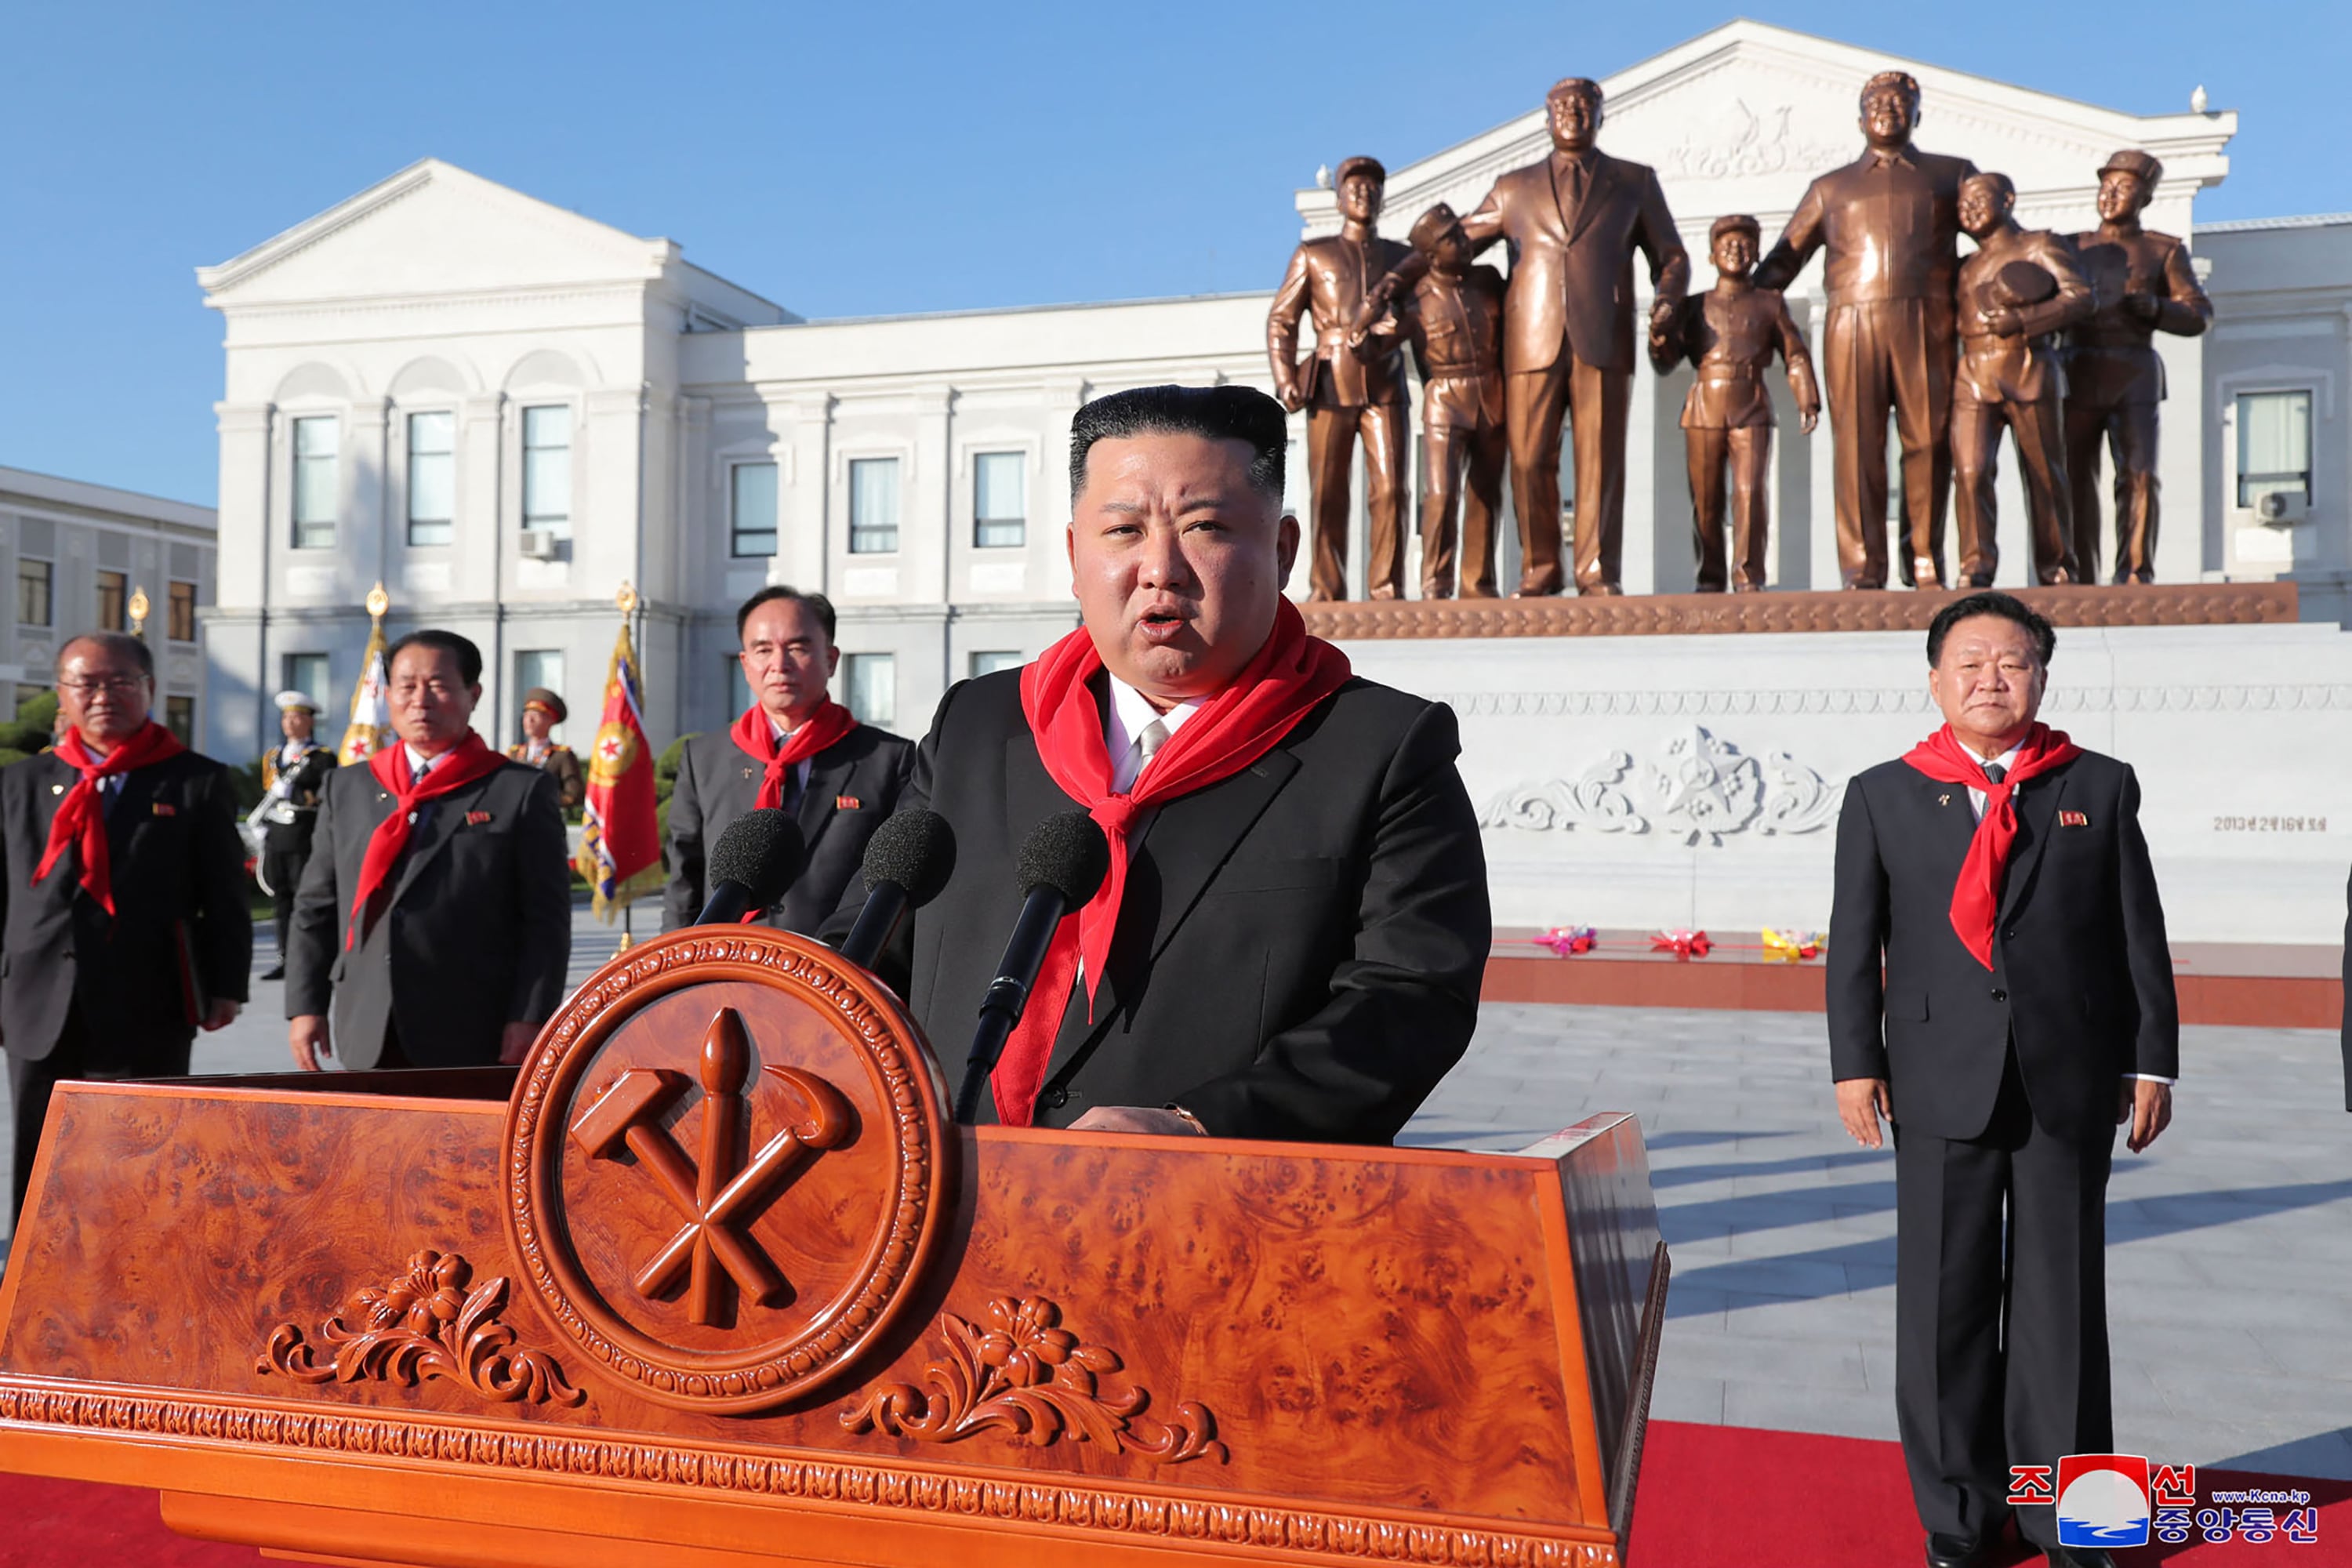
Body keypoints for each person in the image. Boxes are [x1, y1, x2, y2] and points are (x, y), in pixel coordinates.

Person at [826, 383, 1490, 1142]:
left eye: (1204, 527)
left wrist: (1200, 1128)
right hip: (952, 1182)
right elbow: (869, 945)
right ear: (1074, 555)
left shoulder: (1381, 747)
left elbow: (1410, 997)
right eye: (1123, 531)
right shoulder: (977, 724)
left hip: (1214, 1197)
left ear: (1282, 550)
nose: (1160, 569)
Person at [1828, 591, 2177, 1568]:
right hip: (1937, 1074)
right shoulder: (1883, 793)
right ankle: (1959, 1513)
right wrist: (1855, 1063)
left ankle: (2069, 1516)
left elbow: (2137, 932)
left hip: (2070, 1075)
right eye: (1971, 662)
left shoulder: (2097, 784)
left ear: (2041, 676)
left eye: (2012, 661)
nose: (1992, 678)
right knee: (1944, 1300)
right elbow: (1854, 942)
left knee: (2065, 1305)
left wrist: (2151, 1057)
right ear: (1935, 680)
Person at [1370, 78, 1688, 596]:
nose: (1573, 112)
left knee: (1600, 459)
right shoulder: (1514, 187)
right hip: (1530, 339)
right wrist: (1392, 281)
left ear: (1601, 115)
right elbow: (1451, 242)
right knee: (1529, 458)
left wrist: (1669, 297)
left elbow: (1671, 255)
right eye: (1563, 105)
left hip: (1603, 337)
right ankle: (1541, 568)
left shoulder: (1634, 182)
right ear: (1547, 119)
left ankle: (1596, 571)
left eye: (1584, 105)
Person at [2, 633, 250, 1219]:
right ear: (61, 692)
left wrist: (226, 987)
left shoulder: (194, 781)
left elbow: (224, 894)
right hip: (36, 997)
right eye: (86, 683)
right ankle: (37, 1269)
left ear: (149, 688)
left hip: (148, 999)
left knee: (142, 1157)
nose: (102, 695)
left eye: (120, 682)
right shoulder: (20, 783)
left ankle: (136, 1266)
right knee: (41, 1152)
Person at [285, 630, 570, 1070]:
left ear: (473, 694)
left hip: (475, 1025)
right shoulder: (349, 787)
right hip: (367, 1022)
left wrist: (530, 1016)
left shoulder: (519, 790)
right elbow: (316, 905)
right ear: (388, 695)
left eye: (438, 685)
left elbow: (546, 921)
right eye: (407, 686)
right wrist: (306, 1005)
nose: (420, 700)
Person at [1755, 71, 1980, 590]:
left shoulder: (1950, 175)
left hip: (1928, 320)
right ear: (1859, 120)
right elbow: (1782, 263)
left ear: (1918, 115)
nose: (1887, 109)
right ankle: (1862, 566)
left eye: (1899, 102)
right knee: (1857, 446)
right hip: (1852, 322)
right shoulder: (1831, 188)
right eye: (1876, 102)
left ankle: (1924, 559)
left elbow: (1996, 235)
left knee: (1929, 442)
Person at [664, 587, 916, 935]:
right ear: (745, 664)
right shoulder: (703, 758)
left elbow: (900, 884)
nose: (779, 665)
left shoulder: (888, 759)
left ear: (831, 659)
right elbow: (683, 881)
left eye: (797, 648)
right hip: (729, 958)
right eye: (763, 650)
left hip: (837, 959)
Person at [1648, 213, 1820, 592]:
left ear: (1757, 254)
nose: (1736, 250)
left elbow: (1794, 354)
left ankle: (1748, 575)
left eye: (1745, 245)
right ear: (1711, 256)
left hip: (1751, 405)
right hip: (1704, 406)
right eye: (1726, 245)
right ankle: (1709, 578)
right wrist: (1659, 335)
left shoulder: (1770, 303)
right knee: (1706, 501)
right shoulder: (1695, 306)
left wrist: (1807, 396)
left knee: (1750, 493)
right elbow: (1666, 362)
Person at [1266, 154, 1412, 601]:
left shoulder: (1402, 258)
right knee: (1328, 491)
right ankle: (1327, 588)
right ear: (1339, 199)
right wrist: (1286, 376)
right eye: (1354, 187)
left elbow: (1418, 314)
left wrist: (1392, 328)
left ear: (1382, 198)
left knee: (1392, 490)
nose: (1364, 194)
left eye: (1372, 188)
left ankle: (1387, 588)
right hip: (1330, 384)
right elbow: (1282, 319)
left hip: (1385, 384)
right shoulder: (1314, 254)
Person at [2065, 150, 2213, 583]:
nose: (2110, 195)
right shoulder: (2072, 247)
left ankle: (2134, 570)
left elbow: (2199, 314)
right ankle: (2079, 575)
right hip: (2078, 372)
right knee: (2074, 478)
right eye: (2106, 186)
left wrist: (2157, 308)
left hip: (2134, 373)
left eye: (2124, 188)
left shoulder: (2163, 250)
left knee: (2139, 474)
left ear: (2145, 198)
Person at [1951, 173, 2094, 587]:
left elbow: (2081, 297)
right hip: (1974, 373)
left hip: (2028, 366)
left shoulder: (2039, 245)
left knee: (2044, 472)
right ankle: (1976, 565)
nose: (1969, 210)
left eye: (1979, 199)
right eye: (1963, 205)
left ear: (2007, 200)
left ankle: (2056, 566)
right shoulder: (1967, 266)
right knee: (1971, 470)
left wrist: (2025, 320)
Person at [1399, 201, 1508, 599]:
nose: (1463, 241)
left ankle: (1478, 584)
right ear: (1430, 256)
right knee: (1441, 494)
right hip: (1444, 398)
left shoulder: (1489, 280)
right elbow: (1369, 344)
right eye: (1451, 239)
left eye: (1461, 233)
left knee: (1486, 494)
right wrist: (1383, 292)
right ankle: (1436, 585)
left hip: (1491, 395)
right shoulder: (1415, 299)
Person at [256, 689, 334, 980]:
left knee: (305, 898)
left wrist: (297, 793)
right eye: (286, 718)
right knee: (282, 899)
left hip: (304, 835)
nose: (289, 723)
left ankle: (309, 957)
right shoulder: (274, 756)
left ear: (309, 721)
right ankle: (285, 957)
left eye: (296, 717)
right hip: (277, 834)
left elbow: (324, 796)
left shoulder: (322, 757)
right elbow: (268, 792)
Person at [506, 687, 585, 813]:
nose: (529, 720)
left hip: (546, 818)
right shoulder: (514, 753)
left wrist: (545, 798)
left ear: (551, 719)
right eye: (526, 715)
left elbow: (575, 795)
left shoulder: (562, 756)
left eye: (535, 715)